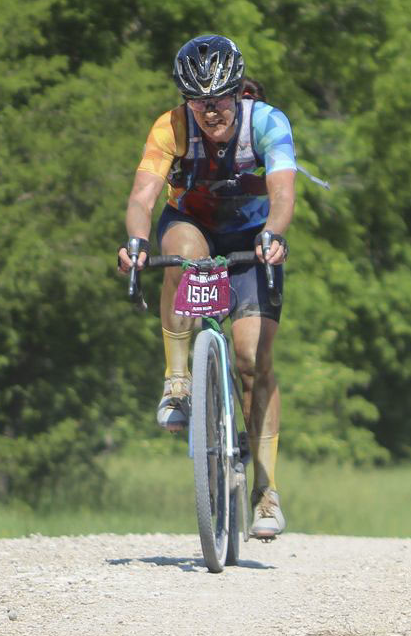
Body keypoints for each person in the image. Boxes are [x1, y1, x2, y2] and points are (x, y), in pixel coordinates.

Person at [116, 34, 296, 539]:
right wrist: (134, 238)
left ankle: (266, 491)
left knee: (250, 360)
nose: (210, 112)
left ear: (238, 92)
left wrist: (274, 233)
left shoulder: (267, 121)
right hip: (193, 225)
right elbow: (143, 193)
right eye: (198, 101)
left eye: (218, 100)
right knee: (185, 253)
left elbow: (283, 191)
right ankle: (177, 381)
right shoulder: (169, 127)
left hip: (253, 241)